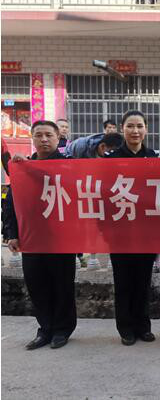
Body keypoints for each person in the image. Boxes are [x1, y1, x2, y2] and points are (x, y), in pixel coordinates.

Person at [5, 120, 77, 350]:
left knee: (62, 286)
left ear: (58, 138)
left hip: (62, 239)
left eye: (49, 135)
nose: (44, 139)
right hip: (32, 238)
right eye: (39, 135)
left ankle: (62, 330)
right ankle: (45, 329)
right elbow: (12, 204)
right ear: (33, 139)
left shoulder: (70, 166)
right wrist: (11, 234)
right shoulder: (22, 169)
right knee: (37, 286)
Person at [104, 110, 158, 346]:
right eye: (130, 126)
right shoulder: (110, 159)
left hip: (146, 232)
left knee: (143, 283)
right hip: (119, 233)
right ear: (122, 129)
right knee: (123, 282)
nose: (135, 131)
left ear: (146, 129)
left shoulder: (154, 158)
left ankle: (143, 326)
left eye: (139, 126)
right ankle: (125, 328)